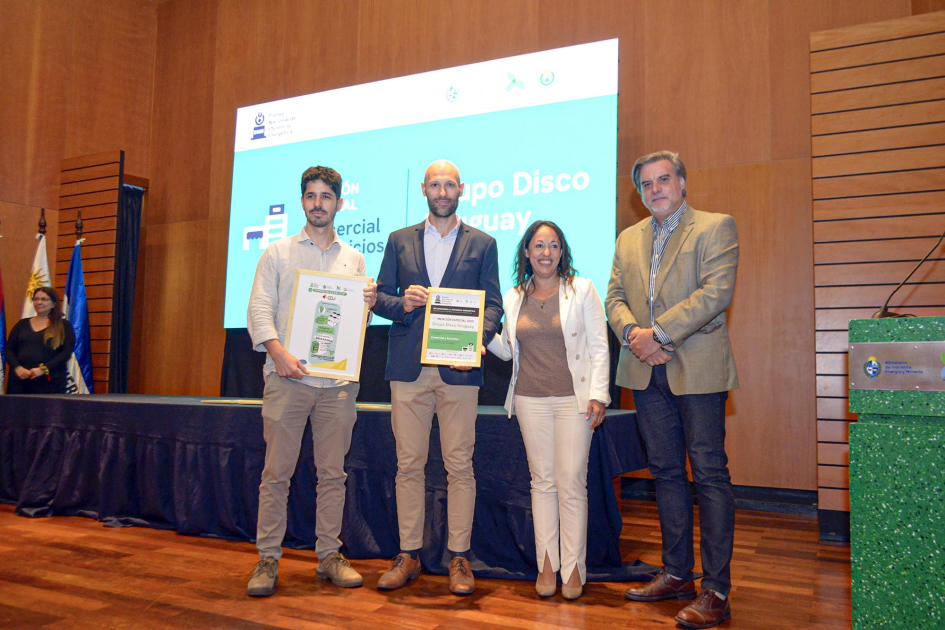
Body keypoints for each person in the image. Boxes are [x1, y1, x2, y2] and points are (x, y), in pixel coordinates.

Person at [606, 151, 738, 629]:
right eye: (646, 183)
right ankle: (678, 573)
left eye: (664, 180)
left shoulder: (715, 226)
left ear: (682, 182)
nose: (655, 189)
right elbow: (614, 297)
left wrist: (656, 334)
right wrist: (634, 337)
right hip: (645, 372)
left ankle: (717, 589)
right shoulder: (628, 238)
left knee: (708, 473)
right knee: (665, 472)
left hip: (697, 369)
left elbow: (715, 293)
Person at [245, 165, 378, 597]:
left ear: (339, 202)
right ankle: (267, 559)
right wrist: (278, 352)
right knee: (276, 474)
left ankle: (328, 556)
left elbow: (354, 324)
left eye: (326, 196)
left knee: (333, 475)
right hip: (287, 379)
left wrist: (369, 307)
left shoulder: (354, 258)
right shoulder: (278, 253)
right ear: (302, 201)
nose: (318, 203)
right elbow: (259, 311)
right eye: (311, 196)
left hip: (336, 386)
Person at [373, 159, 503, 595]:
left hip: (459, 370)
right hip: (408, 370)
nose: (442, 191)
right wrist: (402, 303)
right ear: (424, 189)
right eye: (435, 184)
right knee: (408, 464)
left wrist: (478, 343)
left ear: (461, 189)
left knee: (459, 465)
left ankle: (459, 557)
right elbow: (379, 300)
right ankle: (409, 554)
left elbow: (495, 306)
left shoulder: (483, 243)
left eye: (449, 184)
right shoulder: (398, 240)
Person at [486, 220, 610, 600]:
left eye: (553, 246)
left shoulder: (582, 289)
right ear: (526, 252)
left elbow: (599, 347)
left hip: (575, 400)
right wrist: (474, 335)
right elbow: (508, 350)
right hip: (528, 400)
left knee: (571, 482)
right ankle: (546, 564)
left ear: (562, 252)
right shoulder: (512, 296)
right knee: (542, 482)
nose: (545, 253)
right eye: (538, 246)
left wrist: (599, 396)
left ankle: (573, 568)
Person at [6, 286, 75, 395]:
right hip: (20, 381)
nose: (39, 302)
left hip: (49, 382)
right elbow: (9, 350)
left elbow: (65, 353)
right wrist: (17, 368)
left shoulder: (63, 326)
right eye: (36, 299)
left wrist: (44, 369)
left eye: (44, 299)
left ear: (53, 304)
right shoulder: (22, 324)